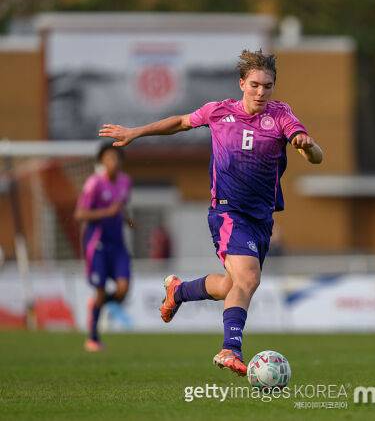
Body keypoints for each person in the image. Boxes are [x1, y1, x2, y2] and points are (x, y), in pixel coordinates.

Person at [98, 49, 323, 375]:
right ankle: (230, 349)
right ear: (242, 83)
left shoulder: (281, 115)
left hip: (261, 218)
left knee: (231, 286)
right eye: (255, 85)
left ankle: (179, 290)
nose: (261, 92)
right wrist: (135, 132)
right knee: (248, 278)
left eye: (268, 86)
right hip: (228, 213)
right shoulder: (219, 111)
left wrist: (307, 145)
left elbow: (314, 155)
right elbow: (179, 122)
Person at [75, 143, 133, 352]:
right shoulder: (94, 184)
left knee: (123, 290)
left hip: (118, 244)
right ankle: (93, 338)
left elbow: (121, 206)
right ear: (102, 162)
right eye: (108, 158)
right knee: (99, 291)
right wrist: (107, 213)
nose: (113, 162)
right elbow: (79, 214)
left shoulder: (125, 182)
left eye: (116, 158)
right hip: (97, 244)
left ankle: (97, 304)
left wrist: (127, 219)